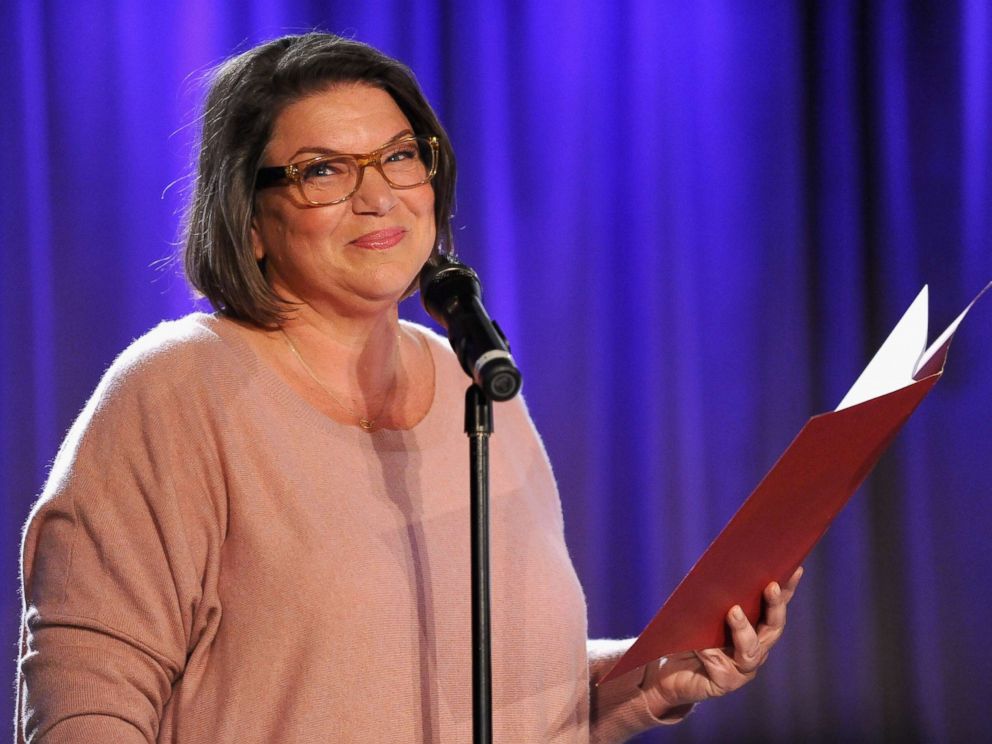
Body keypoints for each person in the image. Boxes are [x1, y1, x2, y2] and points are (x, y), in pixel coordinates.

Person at [16, 32, 802, 743]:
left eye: (399, 155)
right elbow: (88, 705)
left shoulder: (477, 382)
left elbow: (512, 697)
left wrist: (652, 672)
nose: (377, 194)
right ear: (247, 221)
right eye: (322, 170)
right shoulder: (175, 393)